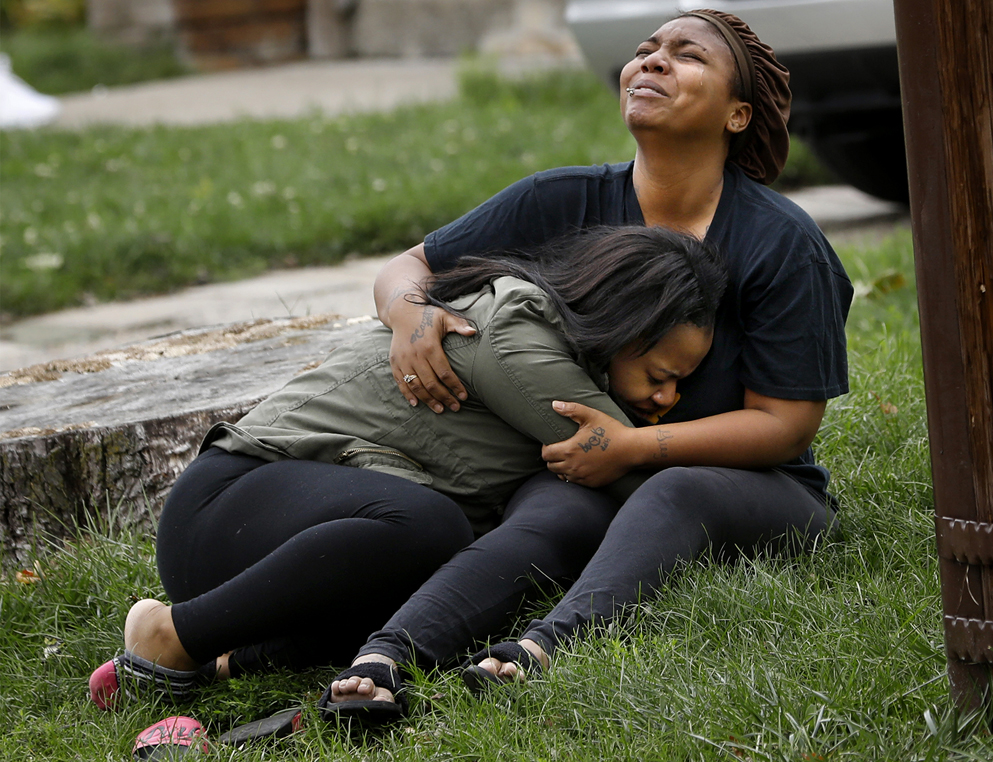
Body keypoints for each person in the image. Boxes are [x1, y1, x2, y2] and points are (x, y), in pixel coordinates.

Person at [322, 9, 852, 718]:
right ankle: (384, 658)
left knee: (675, 491)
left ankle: (542, 648)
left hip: (753, 485)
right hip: (591, 465)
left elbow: (784, 426)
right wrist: (410, 314)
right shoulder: (562, 200)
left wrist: (637, 446)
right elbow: (410, 266)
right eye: (645, 50)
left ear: (737, 115)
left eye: (687, 56)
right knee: (544, 513)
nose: (654, 61)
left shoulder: (782, 243)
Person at [88, 225, 726, 711]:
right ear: (622, 327)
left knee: (465, 589)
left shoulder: (570, 360)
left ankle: (232, 659)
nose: (665, 402)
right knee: (431, 526)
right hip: (228, 508)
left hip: (312, 541)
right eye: (661, 376)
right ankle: (171, 633)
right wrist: (768, 487)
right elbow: (646, 482)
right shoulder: (516, 334)